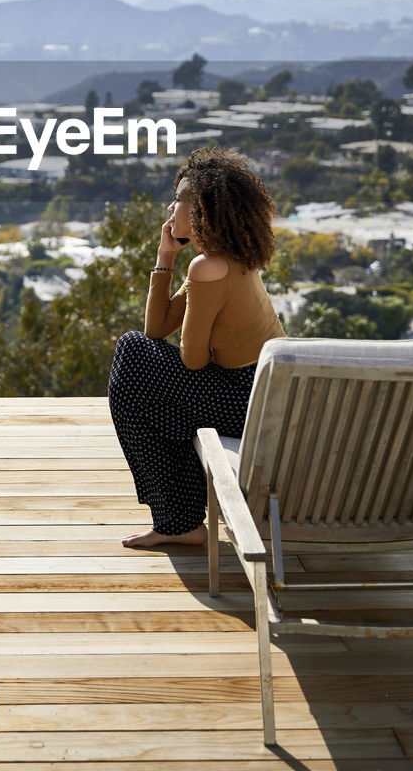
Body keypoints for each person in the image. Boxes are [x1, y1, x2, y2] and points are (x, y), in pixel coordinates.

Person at [108, 144, 284, 549]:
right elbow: (157, 328)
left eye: (180, 200)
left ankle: (178, 518)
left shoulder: (207, 267)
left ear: (206, 209)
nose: (170, 209)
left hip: (244, 399)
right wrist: (164, 257)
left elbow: (191, 357)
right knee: (137, 355)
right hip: (260, 394)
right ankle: (179, 517)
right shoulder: (227, 258)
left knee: (132, 358)